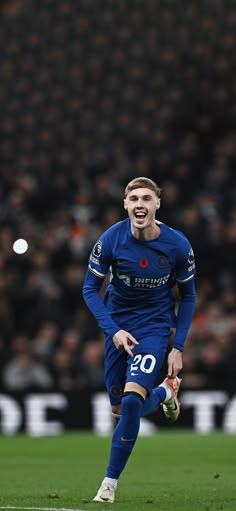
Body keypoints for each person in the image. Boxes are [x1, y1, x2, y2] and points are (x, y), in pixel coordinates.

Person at [83, 177, 196, 503]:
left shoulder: (177, 245)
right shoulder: (111, 240)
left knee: (132, 401)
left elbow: (187, 296)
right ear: (126, 205)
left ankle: (109, 484)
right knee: (120, 408)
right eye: (134, 199)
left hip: (154, 328)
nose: (140, 205)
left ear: (158, 203)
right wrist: (113, 330)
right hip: (119, 328)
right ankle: (164, 392)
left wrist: (178, 346)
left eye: (147, 198)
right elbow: (89, 289)